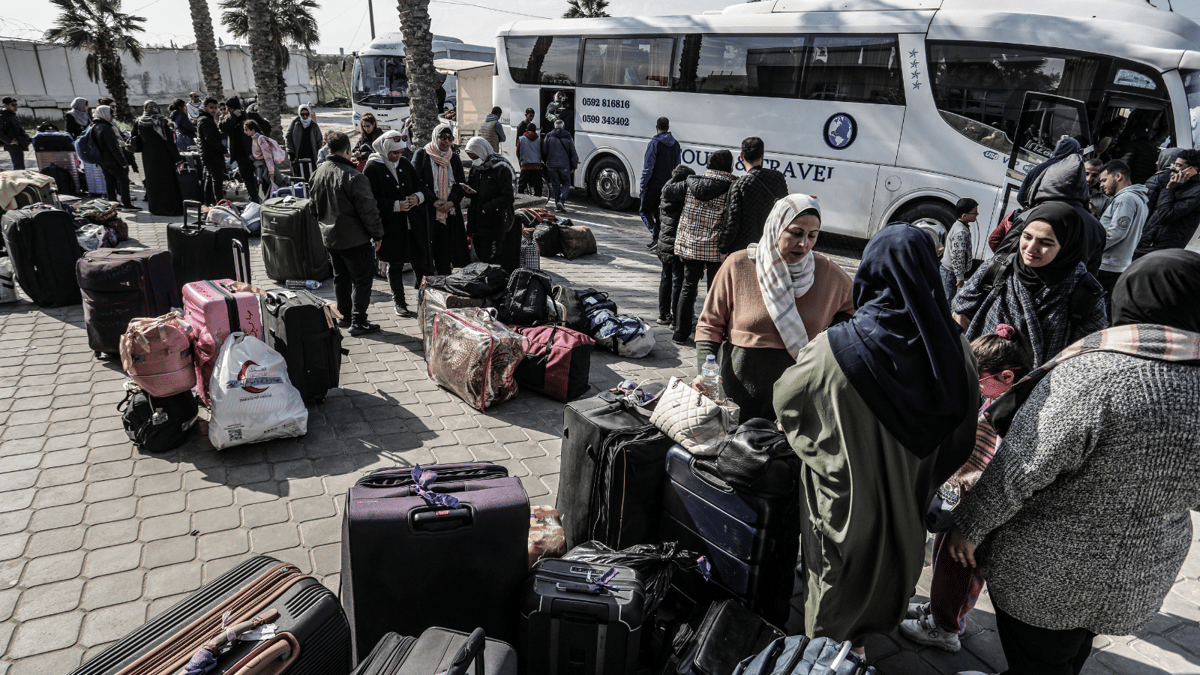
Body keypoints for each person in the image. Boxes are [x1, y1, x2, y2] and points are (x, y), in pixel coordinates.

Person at [945, 250, 1200, 675]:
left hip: (1049, 575)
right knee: (1071, 652)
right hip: (1141, 572)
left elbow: (1021, 469)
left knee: (1040, 659)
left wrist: (969, 528)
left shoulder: (1094, 374)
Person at [774, 223, 978, 650]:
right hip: (909, 495)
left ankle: (827, 655)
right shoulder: (955, 349)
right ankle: (863, 642)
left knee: (835, 574)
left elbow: (789, 401)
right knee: (889, 570)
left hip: (843, 500)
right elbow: (963, 434)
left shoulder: (836, 346)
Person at [900, 325, 1033, 654]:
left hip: (975, 512)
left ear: (1006, 376)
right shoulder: (1000, 399)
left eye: (978, 377)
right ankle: (941, 611)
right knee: (946, 561)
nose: (971, 384)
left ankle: (945, 628)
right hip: (962, 502)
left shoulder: (1009, 413)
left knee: (957, 567)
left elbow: (999, 472)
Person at [693, 195, 854, 421]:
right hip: (736, 397)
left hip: (797, 400)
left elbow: (856, 309)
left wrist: (828, 342)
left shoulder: (827, 273)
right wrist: (704, 372)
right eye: (796, 233)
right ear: (776, 227)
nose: (804, 244)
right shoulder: (738, 265)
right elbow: (710, 324)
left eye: (812, 236)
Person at [953, 202, 1107, 367]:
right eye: (1026, 237)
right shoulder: (998, 268)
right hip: (980, 376)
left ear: (1066, 247)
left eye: (1045, 243)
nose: (1031, 248)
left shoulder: (1085, 293)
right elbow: (960, 311)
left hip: (1039, 386)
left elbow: (1087, 355)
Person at [310, 131, 384, 337]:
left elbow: (313, 208)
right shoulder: (354, 176)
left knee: (340, 277)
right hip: (354, 239)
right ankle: (359, 321)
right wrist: (377, 234)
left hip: (330, 238)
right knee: (362, 279)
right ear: (347, 150)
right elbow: (368, 210)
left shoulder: (318, 173)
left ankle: (344, 316)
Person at [995, 148, 1107, 277]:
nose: (1032, 248)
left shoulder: (1032, 215)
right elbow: (1091, 272)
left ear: (1047, 181)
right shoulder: (1097, 227)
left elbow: (1002, 257)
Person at [363, 130, 432, 318]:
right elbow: (370, 200)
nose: (398, 157)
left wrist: (417, 198)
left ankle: (426, 301)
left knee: (422, 263)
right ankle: (399, 302)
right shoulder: (372, 168)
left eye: (401, 153)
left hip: (412, 224)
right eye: (395, 153)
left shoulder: (404, 164)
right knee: (395, 265)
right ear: (385, 149)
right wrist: (395, 206)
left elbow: (421, 186)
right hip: (392, 226)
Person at [672, 150, 736, 345]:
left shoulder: (693, 182)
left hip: (691, 244)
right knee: (714, 291)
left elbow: (668, 192)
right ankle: (709, 335)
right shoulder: (731, 186)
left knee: (688, 287)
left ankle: (680, 334)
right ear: (728, 166)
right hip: (715, 247)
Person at [411, 123, 470, 283]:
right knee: (426, 252)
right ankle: (425, 287)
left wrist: (451, 203)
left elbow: (460, 185)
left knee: (445, 253)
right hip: (427, 214)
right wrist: (433, 200)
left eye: (449, 138)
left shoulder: (454, 157)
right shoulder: (422, 155)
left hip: (448, 214)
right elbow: (416, 181)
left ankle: (444, 287)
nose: (446, 141)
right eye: (442, 137)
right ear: (434, 137)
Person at [719, 137, 788, 254]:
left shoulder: (739, 185)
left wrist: (723, 248)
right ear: (762, 155)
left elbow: (732, 223)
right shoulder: (778, 177)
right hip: (770, 245)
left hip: (745, 249)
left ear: (741, 156)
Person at [1095, 159, 1149, 300]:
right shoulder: (1138, 199)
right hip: (1117, 264)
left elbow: (1116, 232)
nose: (1101, 185)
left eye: (1104, 180)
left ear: (1118, 176)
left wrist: (1092, 249)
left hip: (1108, 264)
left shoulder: (1126, 198)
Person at [465, 137, 518, 273]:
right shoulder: (476, 168)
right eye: (471, 157)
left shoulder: (501, 168)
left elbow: (508, 197)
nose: (474, 160)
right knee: (480, 260)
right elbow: (474, 189)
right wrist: (467, 191)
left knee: (491, 262)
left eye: (475, 156)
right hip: (477, 224)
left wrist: (488, 208)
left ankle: (493, 289)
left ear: (482, 151)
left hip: (494, 224)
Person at [1133, 148, 1200, 258]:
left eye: (1179, 165)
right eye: (1174, 164)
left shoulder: (1195, 192)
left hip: (1162, 248)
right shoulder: (1179, 182)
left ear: (1192, 169)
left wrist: (1169, 189)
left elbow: (1166, 214)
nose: (1173, 167)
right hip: (1148, 242)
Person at [652, 165, 694, 329]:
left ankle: (663, 314)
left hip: (663, 243)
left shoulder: (665, 191)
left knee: (665, 277)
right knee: (678, 281)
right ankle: (677, 316)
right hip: (677, 244)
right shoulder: (682, 196)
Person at [134, 101, 183, 217]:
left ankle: (155, 208)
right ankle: (170, 209)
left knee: (153, 182)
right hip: (164, 157)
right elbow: (170, 143)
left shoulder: (139, 122)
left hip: (148, 158)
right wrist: (178, 160)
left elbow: (135, 138)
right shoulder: (161, 122)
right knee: (167, 183)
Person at [639, 117, 681, 245]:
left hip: (653, 185)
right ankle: (659, 238)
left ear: (657, 128)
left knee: (644, 211)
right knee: (659, 213)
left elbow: (648, 167)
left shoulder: (654, 143)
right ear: (668, 128)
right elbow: (677, 167)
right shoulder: (676, 144)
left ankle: (656, 235)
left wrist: (643, 184)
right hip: (667, 185)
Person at [91, 105, 135, 210]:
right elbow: (114, 147)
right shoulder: (106, 128)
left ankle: (113, 203)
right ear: (105, 114)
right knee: (123, 180)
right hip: (112, 160)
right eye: (111, 114)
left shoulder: (94, 125)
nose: (113, 117)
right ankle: (127, 204)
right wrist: (123, 162)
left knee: (109, 181)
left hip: (102, 160)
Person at [219, 97, 259, 203]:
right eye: (227, 109)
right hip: (240, 155)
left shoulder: (248, 115)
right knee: (246, 177)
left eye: (230, 109)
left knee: (257, 177)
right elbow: (223, 128)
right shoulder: (229, 118)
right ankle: (253, 200)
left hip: (252, 153)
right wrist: (233, 116)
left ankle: (261, 197)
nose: (228, 111)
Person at [940, 198, 978, 303]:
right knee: (948, 300)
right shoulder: (961, 231)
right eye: (974, 213)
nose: (977, 214)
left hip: (950, 271)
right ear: (964, 215)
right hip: (950, 273)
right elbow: (958, 255)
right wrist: (960, 277)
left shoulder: (959, 225)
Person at [542, 119, 578, 213]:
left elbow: (545, 150)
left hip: (552, 165)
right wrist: (574, 165)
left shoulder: (549, 135)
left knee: (555, 185)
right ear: (563, 126)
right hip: (565, 165)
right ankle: (561, 201)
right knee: (566, 183)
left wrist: (545, 161)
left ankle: (558, 205)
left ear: (554, 127)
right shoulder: (568, 136)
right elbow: (572, 152)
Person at [196, 97, 226, 205]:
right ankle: (219, 203)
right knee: (217, 180)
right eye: (211, 107)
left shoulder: (206, 119)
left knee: (209, 180)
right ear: (204, 107)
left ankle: (208, 203)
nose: (214, 110)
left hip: (209, 155)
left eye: (215, 107)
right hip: (211, 155)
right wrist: (223, 150)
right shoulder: (205, 120)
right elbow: (209, 138)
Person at [246, 119, 285, 196]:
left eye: (246, 130)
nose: (245, 132)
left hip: (265, 169)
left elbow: (268, 157)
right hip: (261, 167)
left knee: (269, 191)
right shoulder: (254, 138)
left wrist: (271, 172)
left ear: (253, 130)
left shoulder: (260, 139)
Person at [287, 104, 322, 181]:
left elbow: (319, 141)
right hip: (298, 155)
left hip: (311, 155)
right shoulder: (295, 123)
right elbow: (288, 138)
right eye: (302, 114)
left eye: (306, 114)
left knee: (312, 176)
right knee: (299, 176)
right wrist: (291, 153)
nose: (304, 116)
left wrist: (319, 154)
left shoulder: (314, 125)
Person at [0, 97, 31, 171]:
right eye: (13, 105)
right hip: (12, 145)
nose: (15, 107)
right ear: (5, 105)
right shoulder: (2, 116)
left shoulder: (12, 115)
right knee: (18, 166)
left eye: (16, 105)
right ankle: (19, 181)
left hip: (18, 143)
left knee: (21, 166)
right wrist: (9, 141)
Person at [516, 123, 543, 196]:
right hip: (537, 166)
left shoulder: (521, 139)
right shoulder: (539, 139)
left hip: (525, 165)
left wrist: (520, 160)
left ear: (526, 130)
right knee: (538, 186)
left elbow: (518, 152)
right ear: (535, 130)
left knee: (521, 186)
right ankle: (538, 202)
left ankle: (521, 202)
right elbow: (543, 152)